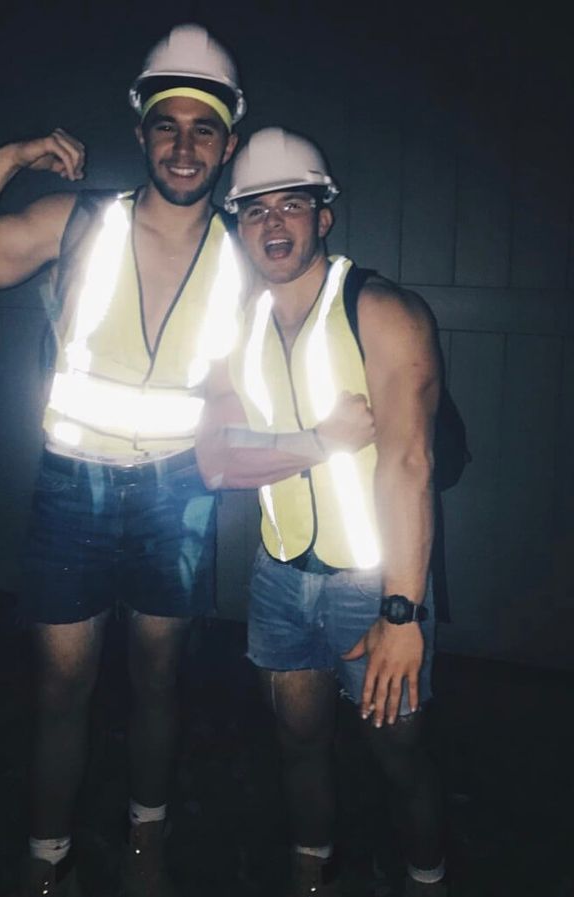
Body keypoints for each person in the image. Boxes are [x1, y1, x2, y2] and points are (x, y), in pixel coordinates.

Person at [0, 23, 248, 897]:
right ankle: (46, 853)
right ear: (141, 135)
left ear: (228, 144)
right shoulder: (78, 221)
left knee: (160, 680)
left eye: (203, 127)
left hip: (180, 493)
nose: (184, 145)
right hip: (73, 487)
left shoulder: (251, 254)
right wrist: (3, 162)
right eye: (167, 125)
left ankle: (146, 840)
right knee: (64, 687)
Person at [196, 128, 447, 897]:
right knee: (297, 744)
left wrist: (400, 611)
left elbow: (408, 464)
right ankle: (315, 871)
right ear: (239, 225)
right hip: (278, 580)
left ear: (324, 215)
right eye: (255, 210)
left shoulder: (383, 312)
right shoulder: (231, 327)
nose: (273, 225)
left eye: (292, 205)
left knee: (398, 753)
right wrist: (317, 440)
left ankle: (426, 876)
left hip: (376, 586)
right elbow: (216, 462)